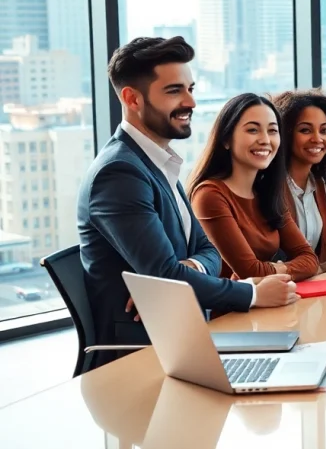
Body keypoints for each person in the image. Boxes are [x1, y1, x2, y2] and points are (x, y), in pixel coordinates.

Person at [78, 37, 295, 367]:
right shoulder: (119, 173)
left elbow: (207, 250)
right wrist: (253, 294)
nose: (191, 101)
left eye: (191, 88)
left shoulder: (158, 163)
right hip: (142, 355)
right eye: (175, 91)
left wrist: (187, 269)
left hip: (185, 337)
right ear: (131, 98)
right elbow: (166, 276)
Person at [189, 94, 320, 282]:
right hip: (229, 308)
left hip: (266, 301)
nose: (265, 140)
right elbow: (250, 271)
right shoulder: (210, 195)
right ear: (226, 139)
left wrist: (272, 270)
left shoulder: (267, 192)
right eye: (252, 130)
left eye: (273, 131)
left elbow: (310, 259)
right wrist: (284, 268)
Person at [273, 89, 326, 272]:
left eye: (325, 130)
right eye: (305, 130)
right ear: (285, 133)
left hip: (307, 289)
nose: (317, 139)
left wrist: (324, 266)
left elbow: (313, 256)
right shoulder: (271, 186)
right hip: (272, 290)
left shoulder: (318, 184)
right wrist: (321, 268)